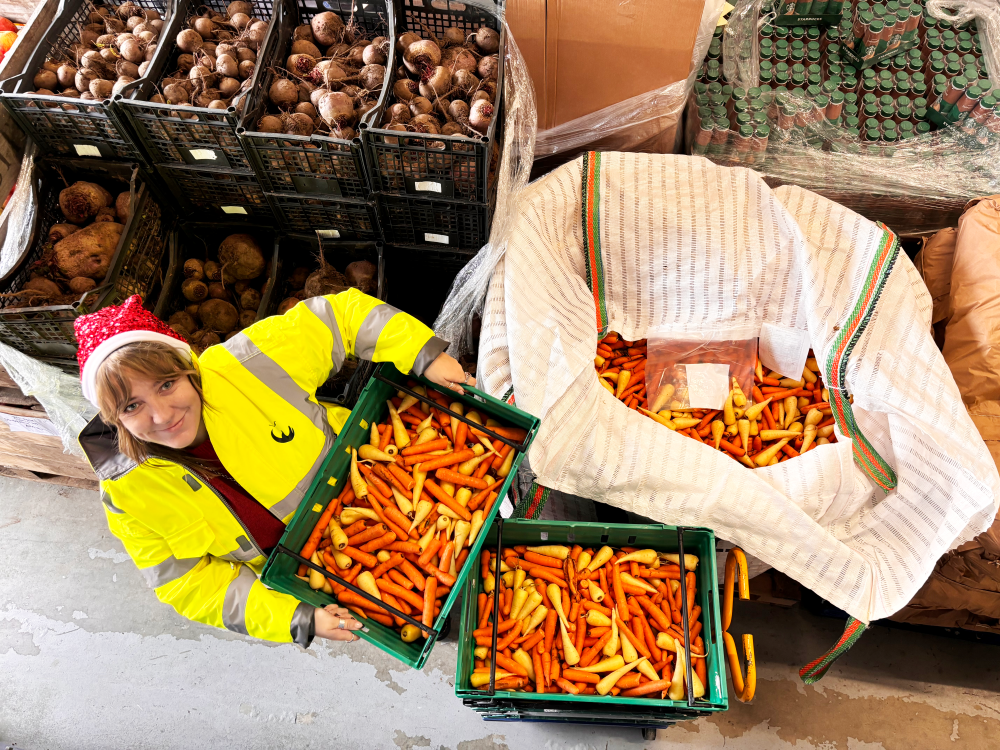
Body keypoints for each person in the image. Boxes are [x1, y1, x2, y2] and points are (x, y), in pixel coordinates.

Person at [74, 291, 473, 648]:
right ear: (112, 418)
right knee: (444, 618)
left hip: (386, 479)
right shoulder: (126, 493)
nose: (162, 415)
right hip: (335, 576)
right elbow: (190, 586)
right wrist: (296, 617)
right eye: (131, 406)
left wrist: (424, 353)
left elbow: (338, 315)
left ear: (188, 370)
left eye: (166, 385)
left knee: (479, 556)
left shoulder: (244, 366)